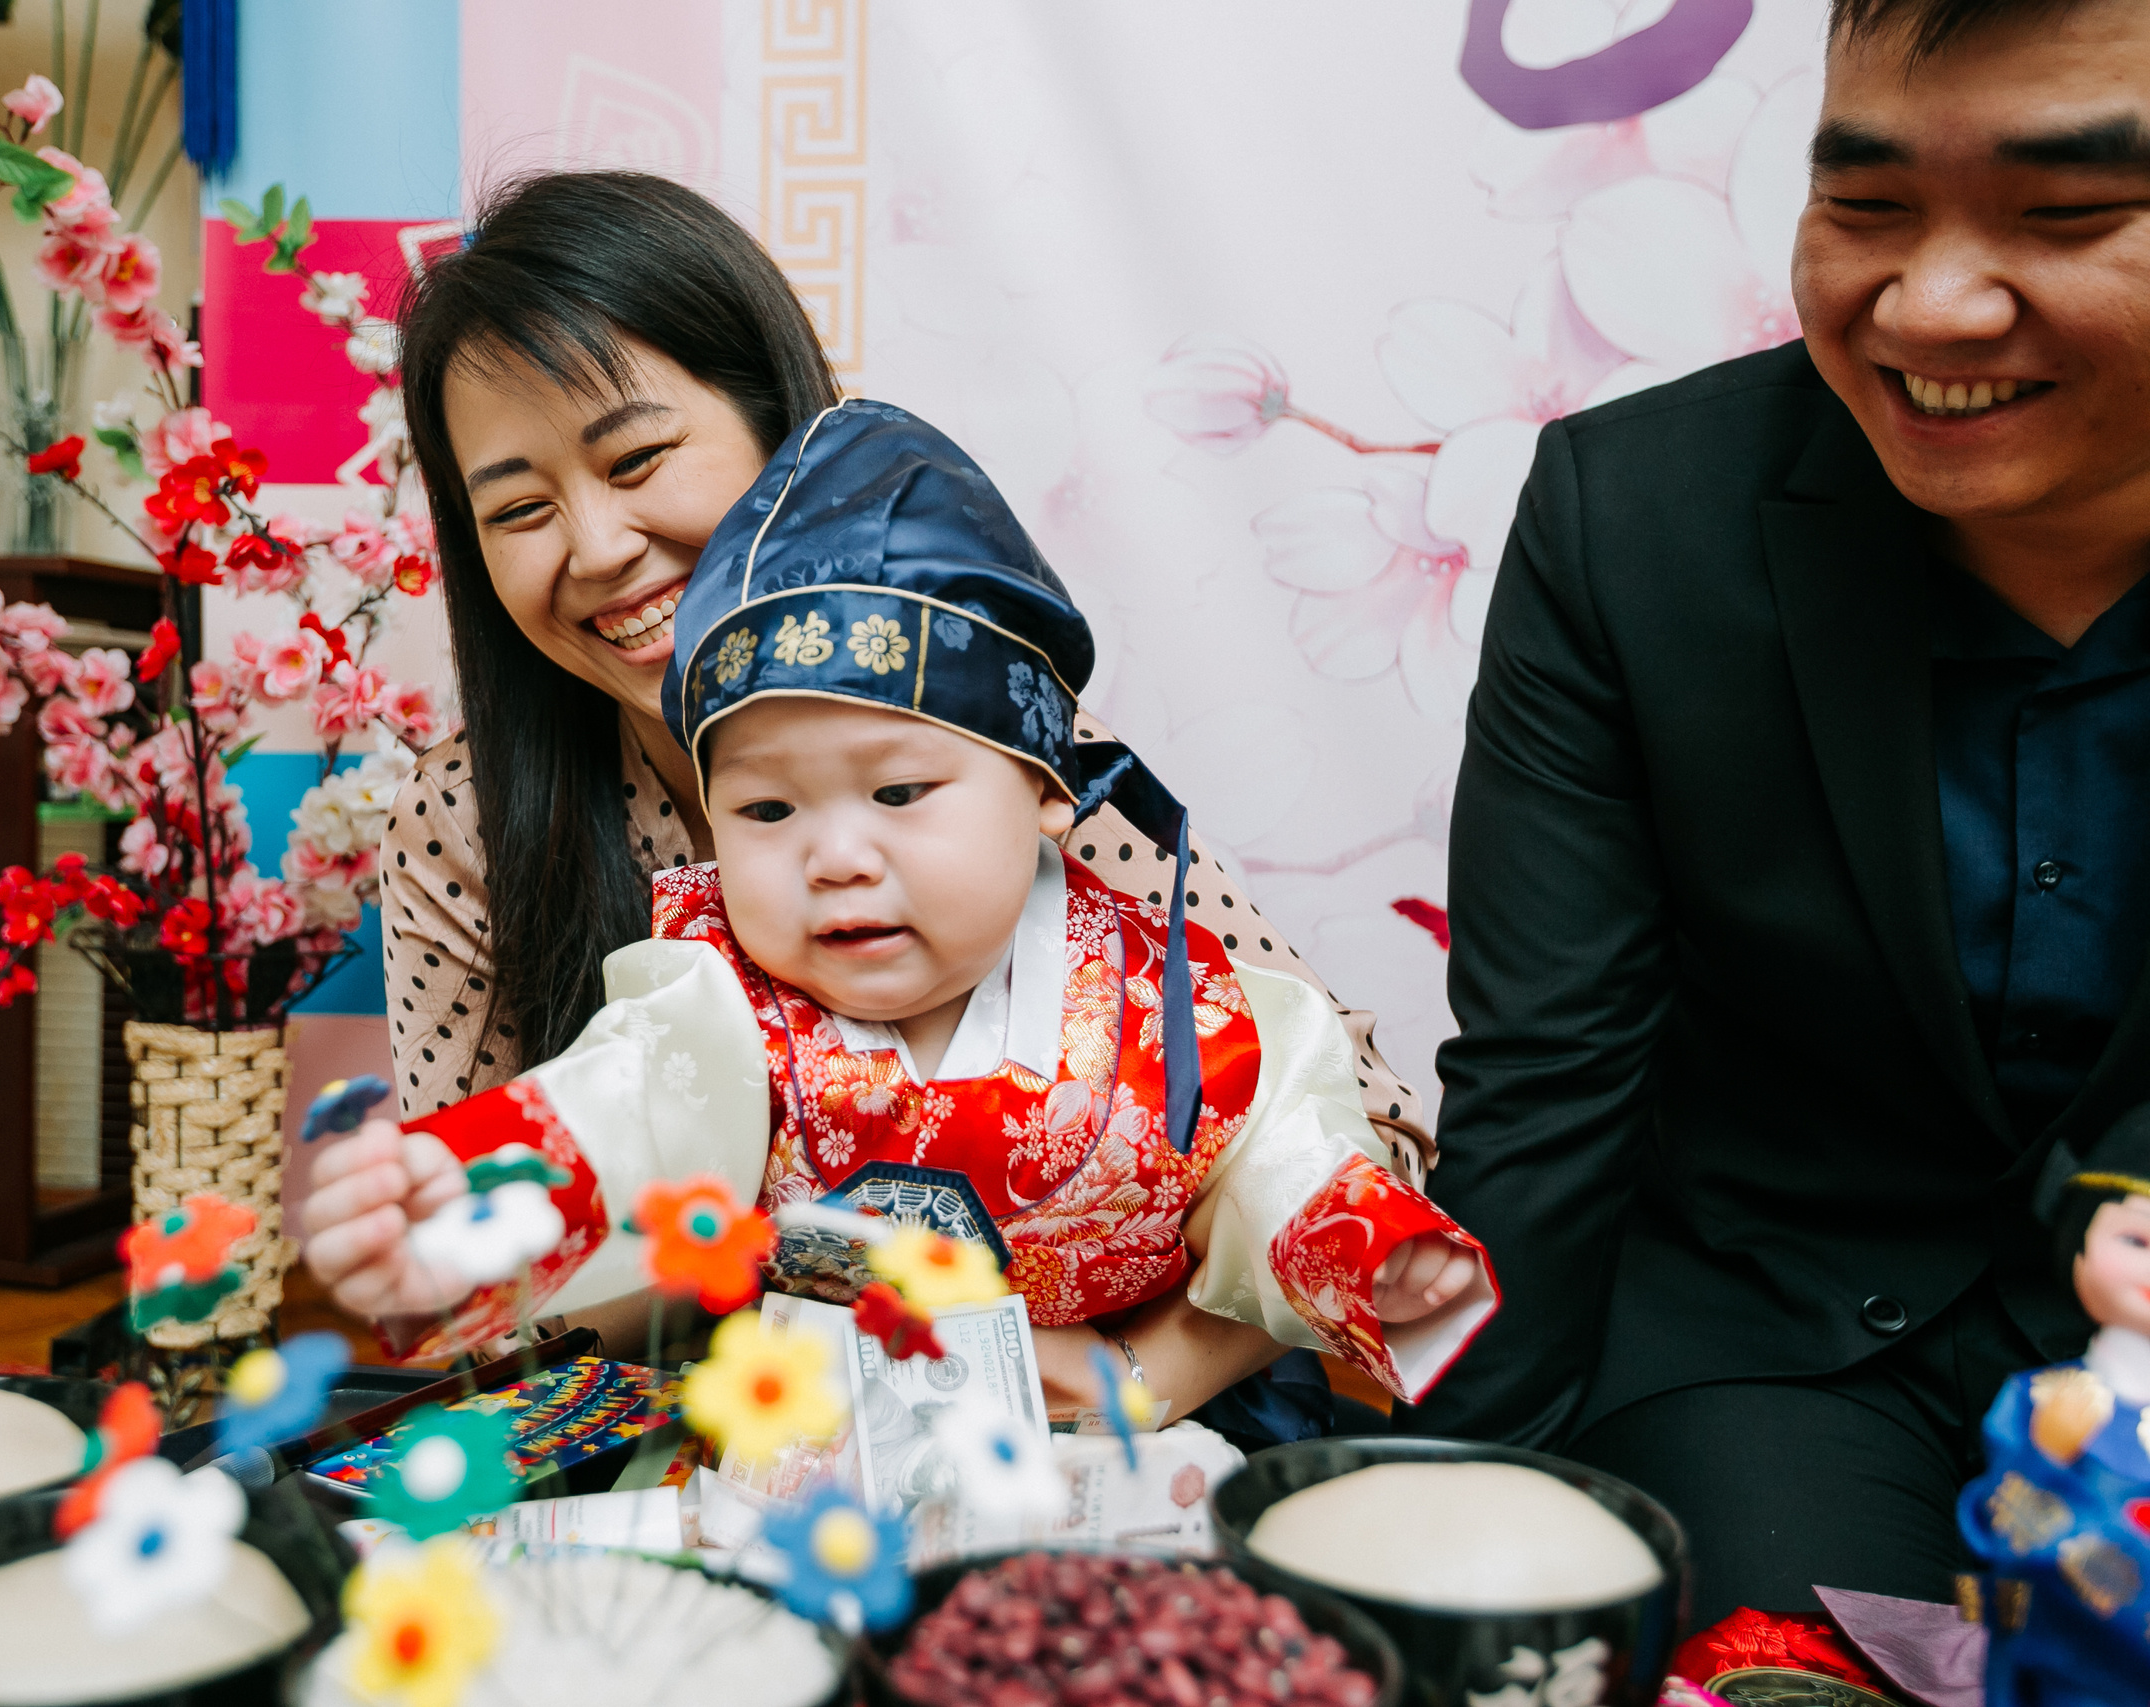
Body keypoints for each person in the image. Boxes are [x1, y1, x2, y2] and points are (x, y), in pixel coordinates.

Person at [302, 171, 1429, 1427]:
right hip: (730, 1441)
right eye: (519, 508)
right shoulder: (464, 831)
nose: (599, 544)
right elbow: (525, 1242)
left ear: (778, 427)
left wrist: (1128, 1381)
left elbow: (1348, 1122)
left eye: (638, 457)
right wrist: (459, 1232)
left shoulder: (984, 730)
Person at [1411, 0, 2150, 1622]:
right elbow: (1545, 1081)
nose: (1932, 304)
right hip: (1781, 1347)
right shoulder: (1633, 523)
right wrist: (1434, 1544)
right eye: (1867, 205)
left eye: (2070, 213)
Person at [1960, 1109, 2150, 1706]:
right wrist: (2045, 1456)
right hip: (2070, 1655)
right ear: (2078, 1244)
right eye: (2138, 1241)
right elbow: (2006, 1518)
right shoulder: (2041, 1401)